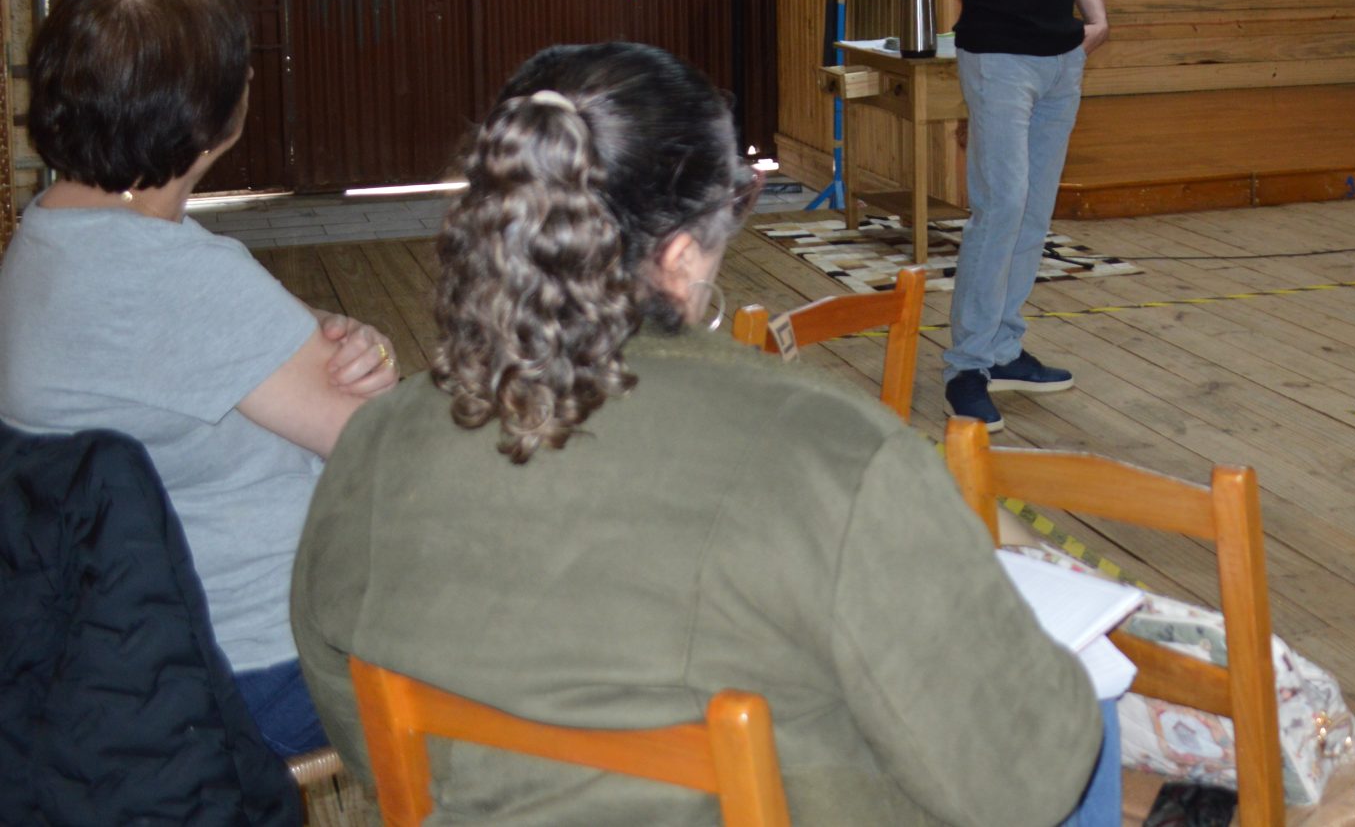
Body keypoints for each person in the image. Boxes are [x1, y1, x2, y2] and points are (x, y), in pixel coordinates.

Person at [291, 42, 1115, 826]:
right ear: (683, 254)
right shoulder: (832, 453)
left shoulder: (378, 441)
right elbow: (1025, 780)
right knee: (1087, 728)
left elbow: (355, 721)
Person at [0, 0, 397, 758]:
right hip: (257, 668)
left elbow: (199, 342)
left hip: (116, 660)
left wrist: (318, 327)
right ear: (211, 120)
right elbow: (392, 448)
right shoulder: (180, 281)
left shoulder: (45, 241)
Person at [931, 0, 1109, 433]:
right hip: (1000, 58)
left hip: (1062, 57)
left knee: (1033, 213)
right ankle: (967, 366)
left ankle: (1004, 346)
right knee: (1001, 207)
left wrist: (1098, 17)